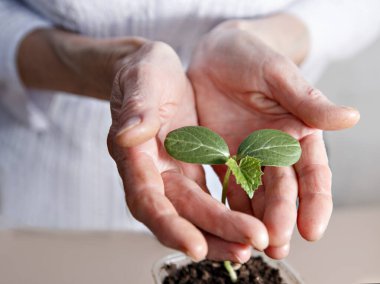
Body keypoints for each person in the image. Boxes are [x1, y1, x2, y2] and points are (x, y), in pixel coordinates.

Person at [0, 0, 379, 262]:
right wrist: (108, 65)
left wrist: (274, 39)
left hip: (249, 117)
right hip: (43, 191)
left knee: (237, 243)